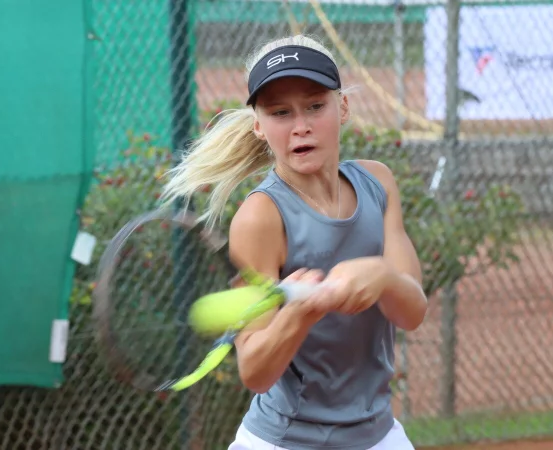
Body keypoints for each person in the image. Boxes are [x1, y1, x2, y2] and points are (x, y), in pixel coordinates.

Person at [161, 34, 428, 450]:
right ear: (258, 126)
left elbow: (413, 313)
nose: (300, 125)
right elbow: (255, 371)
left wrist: (384, 278)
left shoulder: (379, 183)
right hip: (286, 441)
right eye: (280, 112)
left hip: (377, 434)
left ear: (342, 107)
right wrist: (299, 315)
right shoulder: (260, 217)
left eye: (315, 106)